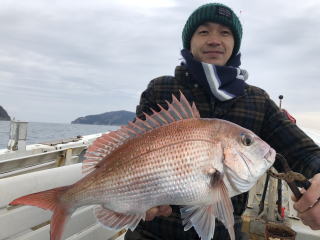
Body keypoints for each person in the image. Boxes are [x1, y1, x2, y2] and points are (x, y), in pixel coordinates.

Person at [125, 3, 320, 239]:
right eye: (204, 31)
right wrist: (133, 200)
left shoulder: (256, 100)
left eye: (225, 33)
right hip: (153, 232)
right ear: (189, 42)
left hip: (224, 233)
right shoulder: (162, 90)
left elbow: (302, 152)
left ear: (234, 44)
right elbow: (130, 149)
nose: (214, 40)